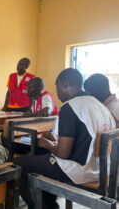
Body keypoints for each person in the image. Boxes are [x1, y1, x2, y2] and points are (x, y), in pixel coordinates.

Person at [13, 68, 115, 209]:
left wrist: (48, 144)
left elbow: (62, 153)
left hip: (80, 170)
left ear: (65, 84)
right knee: (41, 160)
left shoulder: (70, 106)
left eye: (57, 86)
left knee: (18, 165)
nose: (57, 92)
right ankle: (51, 205)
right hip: (103, 169)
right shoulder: (100, 106)